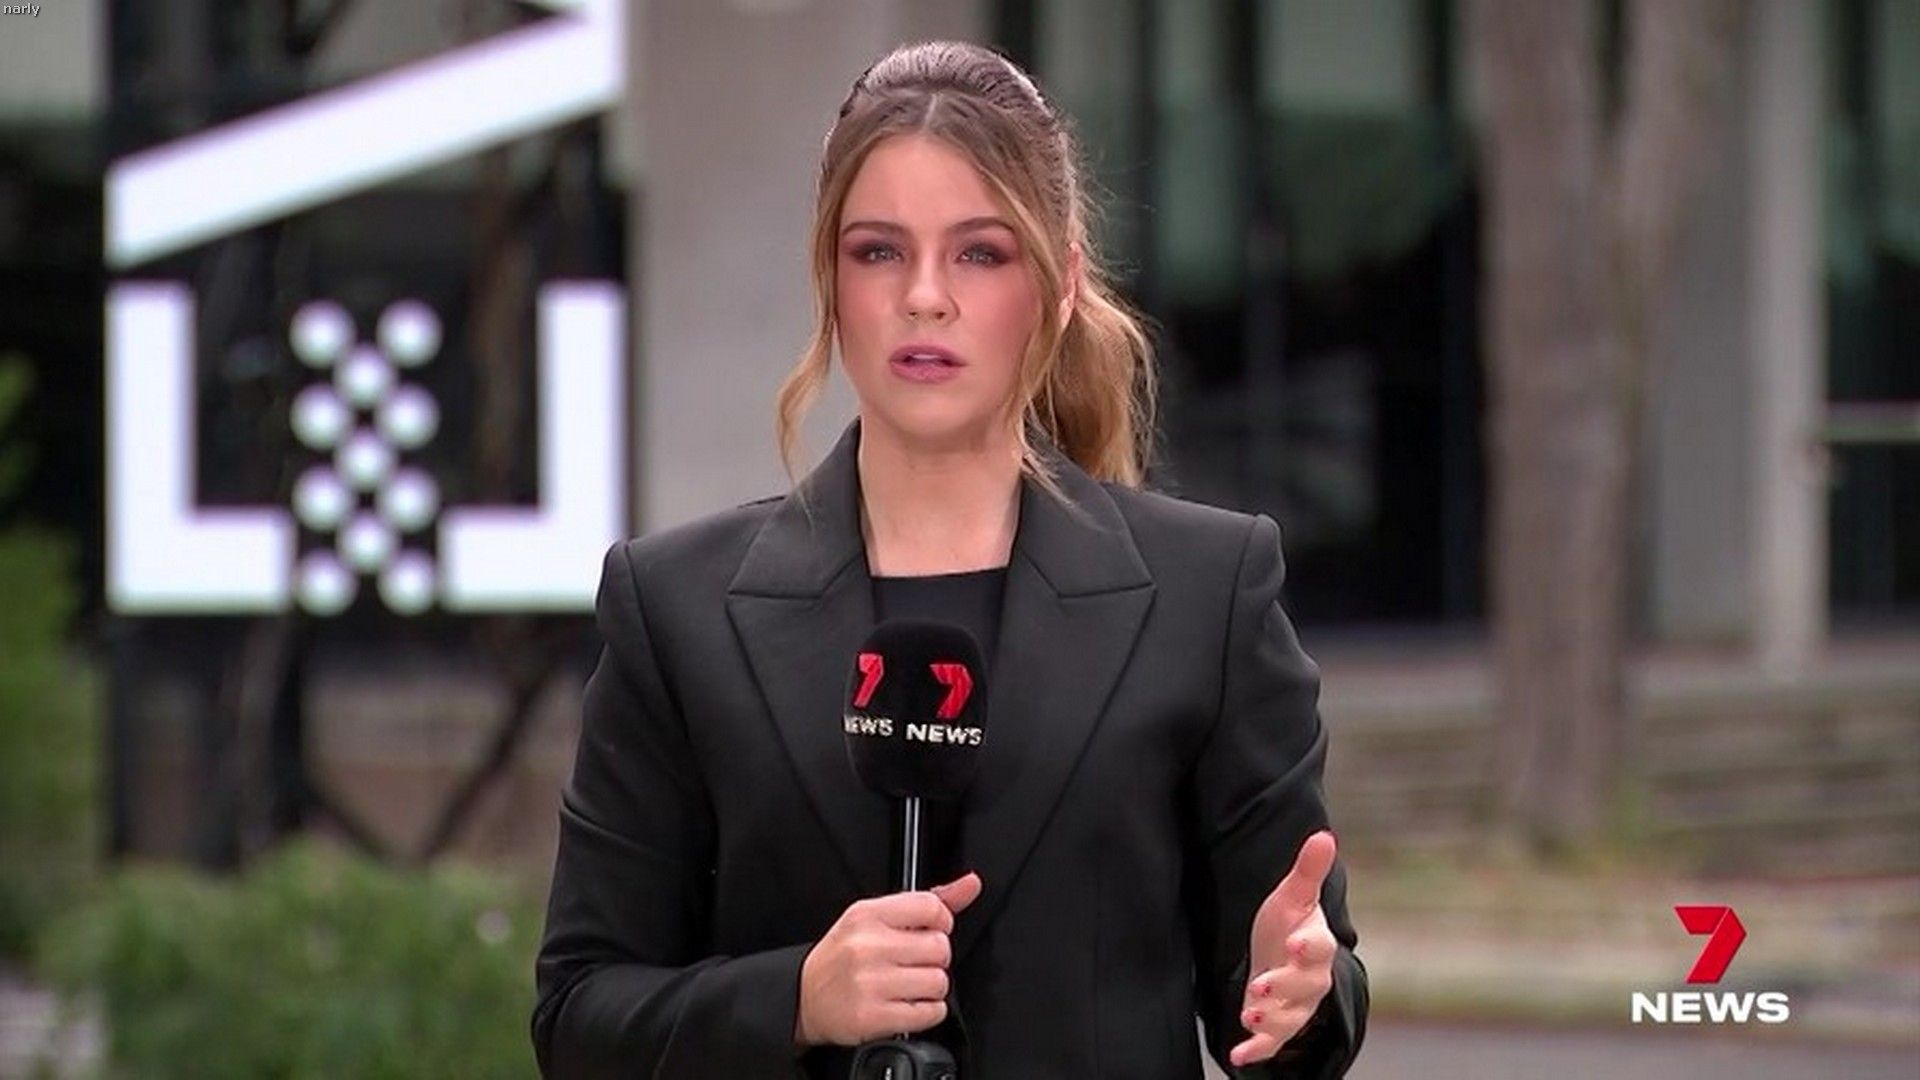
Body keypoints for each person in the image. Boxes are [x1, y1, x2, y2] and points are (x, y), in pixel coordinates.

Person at [532, 40, 1366, 1079]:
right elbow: (579, 1017)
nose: (925, 296)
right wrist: (796, 999)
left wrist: (1301, 995)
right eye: (879, 251)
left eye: (980, 254)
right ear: (830, 280)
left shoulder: (1207, 595)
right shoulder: (676, 610)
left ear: (1062, 283)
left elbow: (1290, 1010)